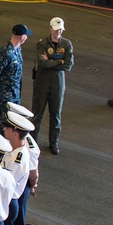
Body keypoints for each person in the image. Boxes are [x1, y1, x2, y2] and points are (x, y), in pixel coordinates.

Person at [1, 111, 37, 225]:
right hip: (16, 186)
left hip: (20, 189)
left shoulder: (28, 145)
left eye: (8, 125)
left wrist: (32, 187)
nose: (4, 128)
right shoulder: (15, 145)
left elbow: (33, 171)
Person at [31, 17, 73, 154]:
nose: (58, 32)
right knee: (37, 114)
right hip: (42, 82)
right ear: (50, 28)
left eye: (60, 29)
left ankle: (54, 143)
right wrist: (59, 62)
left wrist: (51, 61)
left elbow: (68, 65)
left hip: (58, 83)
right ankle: (32, 142)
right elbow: (42, 63)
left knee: (56, 115)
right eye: (56, 29)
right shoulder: (42, 43)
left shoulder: (67, 44)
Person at [0, 23, 31, 128]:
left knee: (11, 125)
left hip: (14, 94)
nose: (26, 38)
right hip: (3, 96)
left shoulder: (17, 49)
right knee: (2, 126)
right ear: (22, 37)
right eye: (26, 35)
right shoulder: (6, 52)